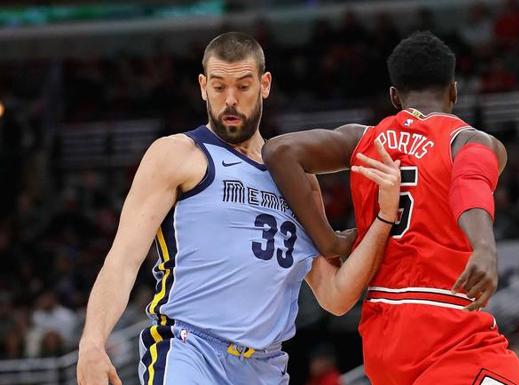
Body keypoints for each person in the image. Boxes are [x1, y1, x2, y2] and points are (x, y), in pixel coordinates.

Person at [76, 32, 401, 385]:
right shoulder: (178, 154)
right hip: (190, 350)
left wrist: (383, 219)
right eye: (218, 87)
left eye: (243, 87)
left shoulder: (298, 180)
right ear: (203, 87)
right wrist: (92, 343)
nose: (230, 100)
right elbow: (122, 259)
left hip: (266, 366)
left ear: (265, 84)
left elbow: (336, 297)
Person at [263, 31, 519, 385]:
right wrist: (483, 246)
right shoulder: (470, 140)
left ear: (394, 95)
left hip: (382, 335)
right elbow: (471, 185)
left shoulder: (362, 139)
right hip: (449, 329)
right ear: (454, 90)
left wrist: (328, 242)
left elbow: (278, 151)